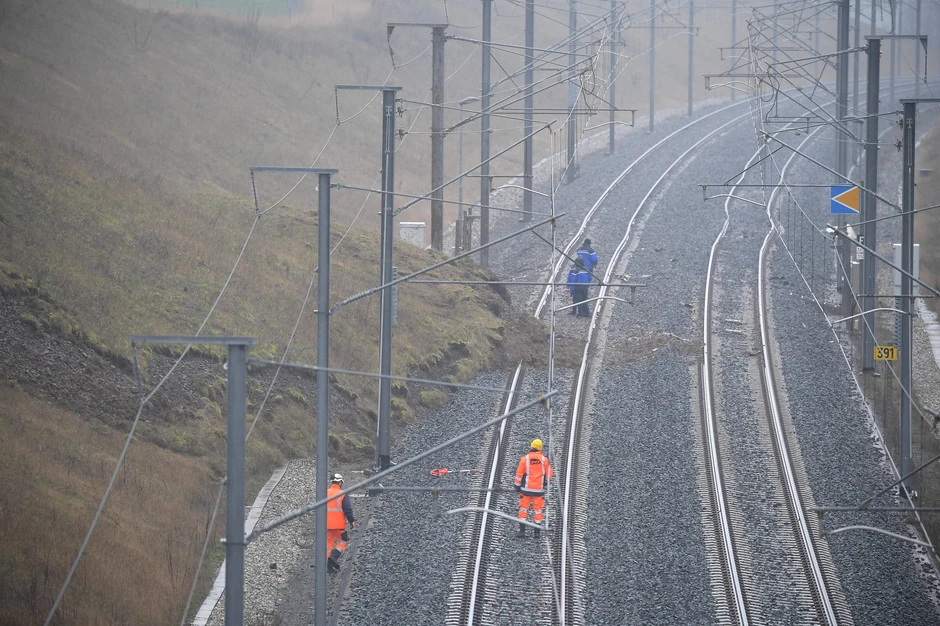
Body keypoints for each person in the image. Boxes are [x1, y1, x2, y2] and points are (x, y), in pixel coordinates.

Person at [514, 439, 553, 539]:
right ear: (540, 448)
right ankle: (537, 533)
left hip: (525, 490)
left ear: (531, 446)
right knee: (538, 511)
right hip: (538, 491)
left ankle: (522, 531)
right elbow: (549, 474)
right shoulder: (544, 460)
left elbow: (519, 474)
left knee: (523, 509)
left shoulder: (525, 459)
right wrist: (545, 482)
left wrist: (517, 486)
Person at [326, 473, 355, 572]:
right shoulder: (342, 494)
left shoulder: (324, 493)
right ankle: (333, 558)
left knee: (329, 544)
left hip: (326, 524)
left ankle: (329, 567)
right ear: (340, 482)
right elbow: (347, 509)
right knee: (343, 541)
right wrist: (351, 521)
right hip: (339, 525)